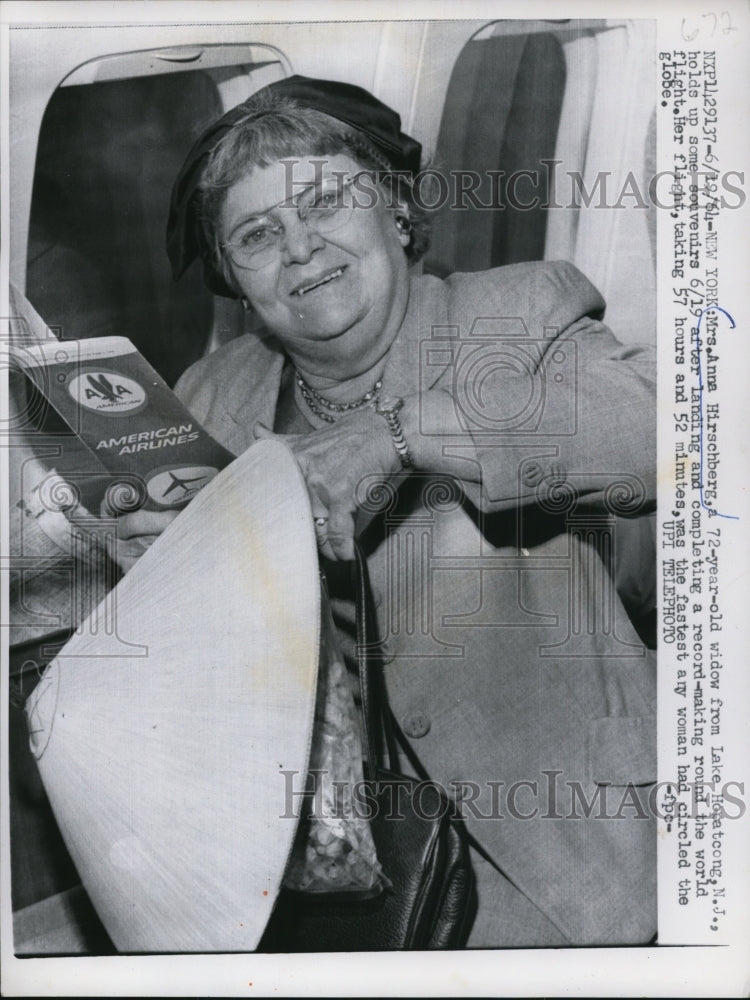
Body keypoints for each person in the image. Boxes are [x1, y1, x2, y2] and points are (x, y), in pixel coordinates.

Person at [115, 75, 657, 948]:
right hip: (323, 865)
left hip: (553, 853)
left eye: (326, 201)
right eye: (257, 235)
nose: (301, 248)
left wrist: (396, 436)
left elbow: (661, 438)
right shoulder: (212, 395)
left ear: (397, 209)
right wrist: (161, 578)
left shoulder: (512, 315)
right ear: (233, 281)